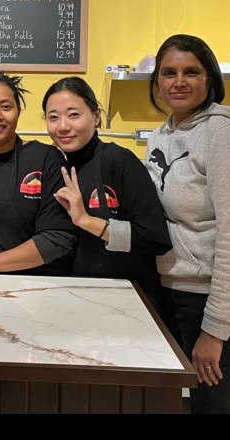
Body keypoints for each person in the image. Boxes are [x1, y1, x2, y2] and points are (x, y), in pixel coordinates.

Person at [145, 34, 230, 414]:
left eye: (191, 72)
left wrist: (215, 329)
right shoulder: (162, 135)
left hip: (215, 299)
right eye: (169, 73)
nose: (179, 81)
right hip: (174, 288)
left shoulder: (223, 135)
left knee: (212, 407)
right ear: (158, 83)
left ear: (209, 79)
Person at [41, 77, 171, 309]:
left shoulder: (118, 161)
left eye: (73, 115)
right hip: (76, 300)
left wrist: (87, 221)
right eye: (53, 117)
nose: (62, 126)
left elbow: (155, 238)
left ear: (96, 116)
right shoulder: (52, 165)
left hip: (128, 301)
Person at [0, 71, 77, 275]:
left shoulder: (46, 159)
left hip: (40, 287)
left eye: (6, 107)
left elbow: (58, 237)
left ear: (18, 111)